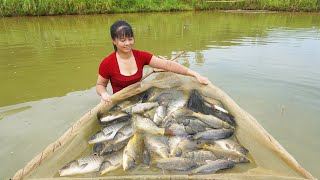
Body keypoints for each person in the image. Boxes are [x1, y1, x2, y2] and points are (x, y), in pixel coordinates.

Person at [96, 20, 209, 105]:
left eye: (130, 39)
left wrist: (195, 74)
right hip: (120, 102)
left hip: (142, 99)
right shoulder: (107, 63)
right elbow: (100, 85)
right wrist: (104, 94)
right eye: (123, 40)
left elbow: (167, 65)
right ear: (113, 41)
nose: (128, 43)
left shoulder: (141, 56)